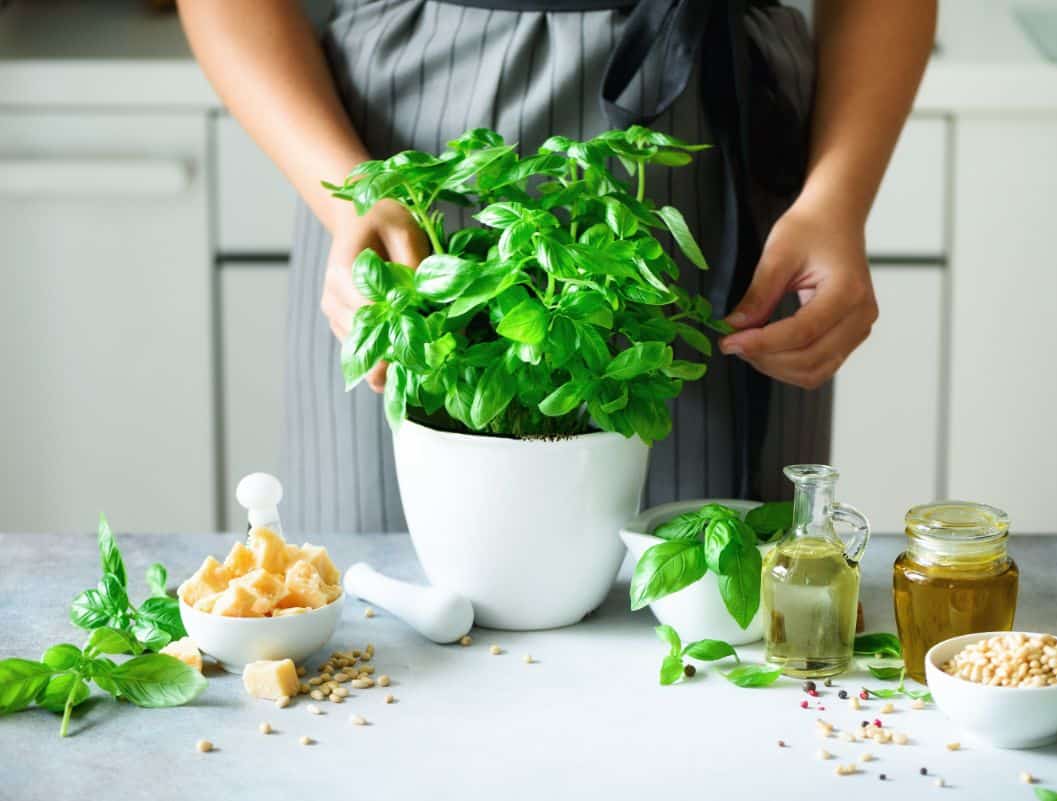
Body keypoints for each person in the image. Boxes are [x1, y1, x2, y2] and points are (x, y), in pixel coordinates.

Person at [179, 0, 936, 534]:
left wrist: (839, 198)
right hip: (399, 165)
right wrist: (345, 193)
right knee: (384, 631)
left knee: (721, 639)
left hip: (719, 149)